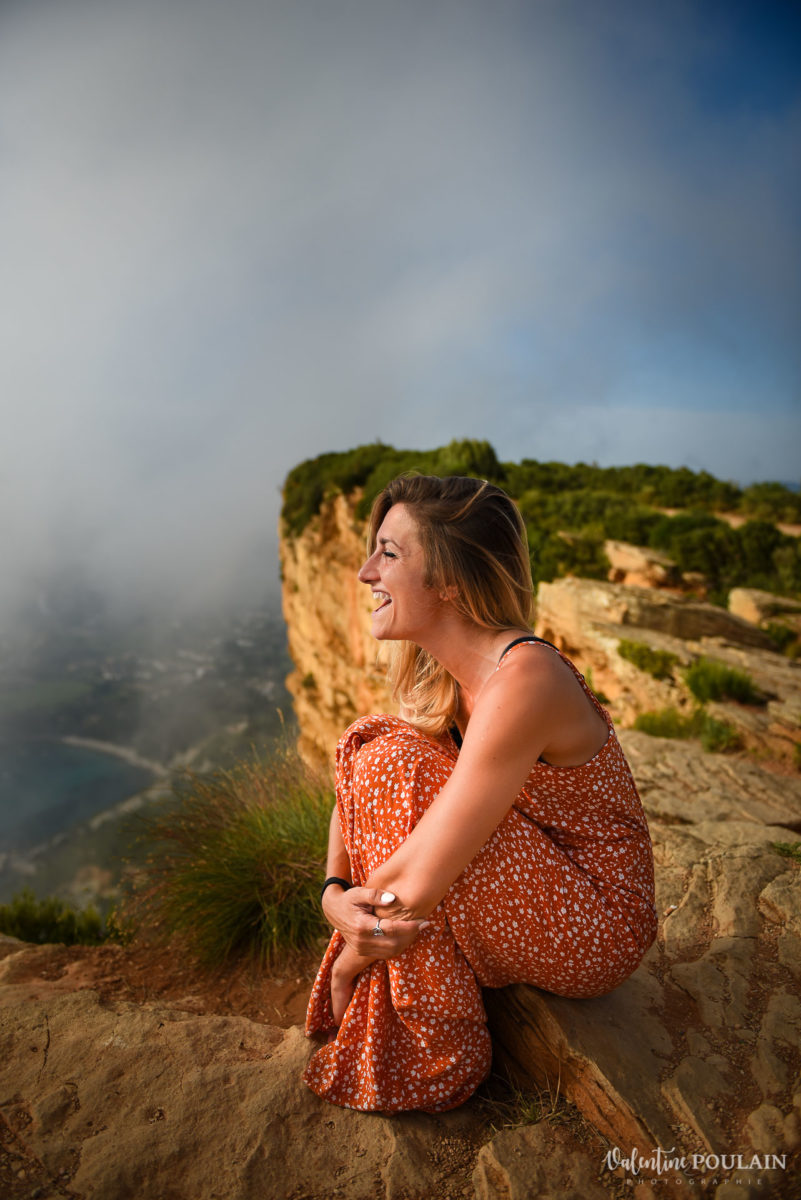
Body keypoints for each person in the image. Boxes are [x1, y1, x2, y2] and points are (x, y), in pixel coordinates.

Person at [303, 474, 656, 1113]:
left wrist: (350, 960)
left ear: (451, 579)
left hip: (598, 922)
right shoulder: (450, 675)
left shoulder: (526, 677)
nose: (364, 572)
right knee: (371, 743)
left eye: (389, 552)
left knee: (398, 769)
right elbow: (360, 785)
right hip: (540, 879)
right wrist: (334, 896)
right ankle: (406, 995)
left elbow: (428, 872)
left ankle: (442, 1052)